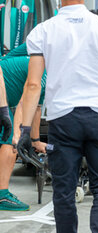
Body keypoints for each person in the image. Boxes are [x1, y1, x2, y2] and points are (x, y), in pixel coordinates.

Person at [17, 0, 98, 232]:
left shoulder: (43, 30)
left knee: (64, 190)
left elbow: (32, 85)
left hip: (63, 119)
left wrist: (26, 130)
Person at [0, 55, 46, 211]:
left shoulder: (45, 69)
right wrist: (18, 135)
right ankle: (2, 195)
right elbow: (23, 104)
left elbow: (36, 108)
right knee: (10, 139)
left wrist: (35, 140)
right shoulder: (45, 74)